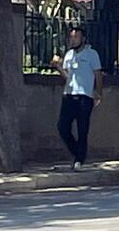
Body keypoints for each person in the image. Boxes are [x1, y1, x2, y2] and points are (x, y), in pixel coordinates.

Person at [50, 27, 103, 171]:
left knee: (82, 128)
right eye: (71, 37)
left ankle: (79, 159)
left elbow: (98, 74)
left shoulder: (91, 54)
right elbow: (68, 76)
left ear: (83, 39)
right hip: (69, 94)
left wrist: (98, 92)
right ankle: (77, 152)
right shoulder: (69, 55)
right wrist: (58, 67)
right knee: (62, 127)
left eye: (76, 37)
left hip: (84, 96)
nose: (73, 40)